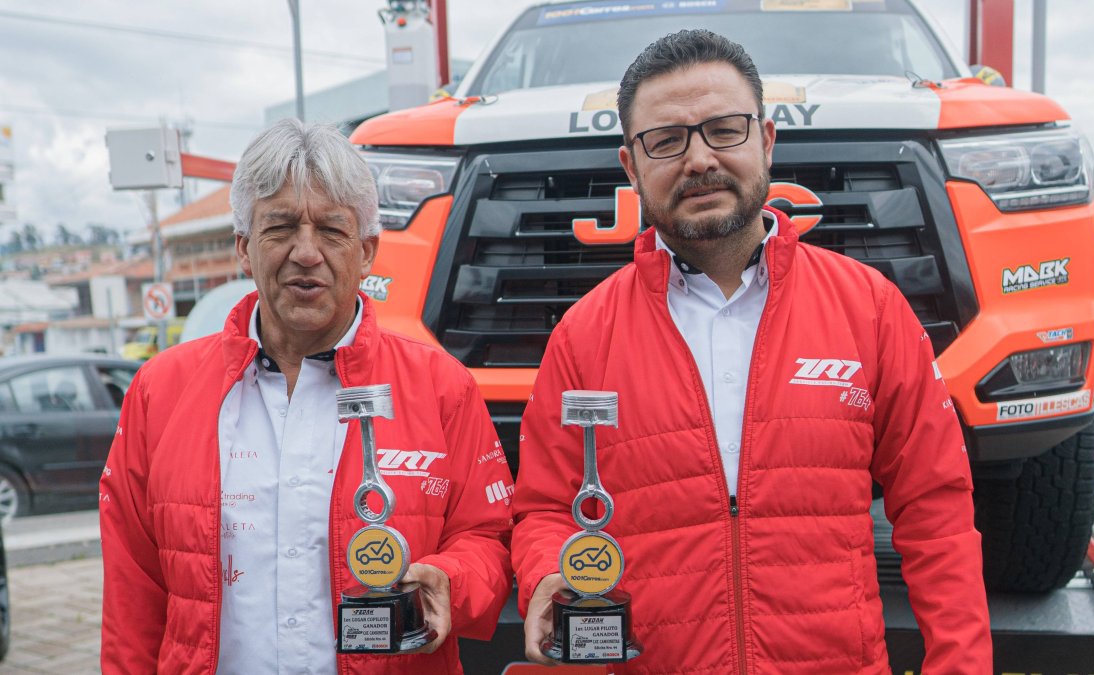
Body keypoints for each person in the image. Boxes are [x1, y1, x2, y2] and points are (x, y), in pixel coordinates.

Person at [511, 30, 992, 673]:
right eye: (666, 140)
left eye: (724, 130)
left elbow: (937, 511)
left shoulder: (869, 309)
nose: (700, 159)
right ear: (631, 167)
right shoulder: (583, 336)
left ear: (766, 140)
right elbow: (544, 507)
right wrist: (546, 572)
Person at [99, 119, 514, 674]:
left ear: (367, 252)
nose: (306, 252)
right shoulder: (160, 391)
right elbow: (132, 592)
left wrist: (451, 581)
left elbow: (490, 537)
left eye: (331, 230)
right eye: (280, 228)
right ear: (245, 249)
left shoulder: (441, 386)